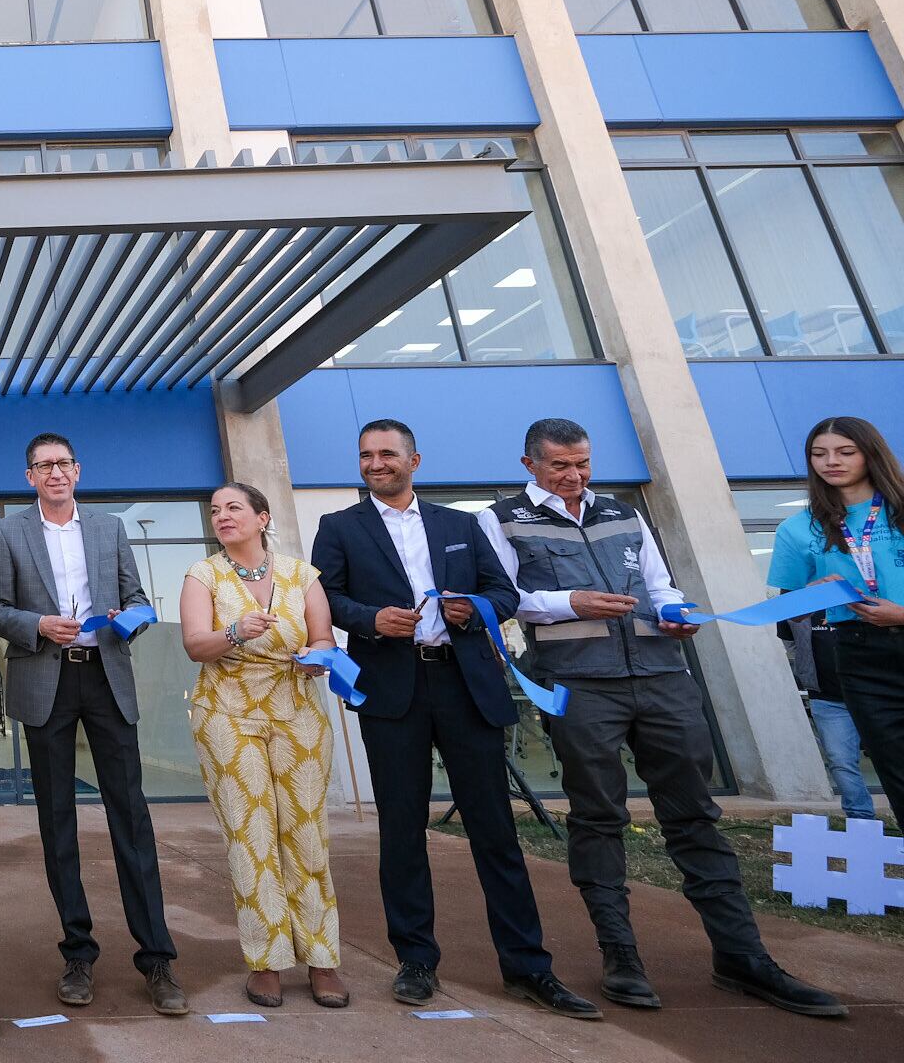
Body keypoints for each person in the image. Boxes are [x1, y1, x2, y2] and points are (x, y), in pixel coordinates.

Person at [475, 418, 841, 1017]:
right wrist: (572, 603)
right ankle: (621, 957)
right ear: (529, 465)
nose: (574, 476)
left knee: (696, 815)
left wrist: (678, 611)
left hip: (664, 676)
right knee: (598, 817)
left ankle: (742, 957)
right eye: (560, 465)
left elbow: (660, 584)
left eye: (583, 463)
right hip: (579, 684)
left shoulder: (622, 511)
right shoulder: (501, 518)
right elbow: (503, 598)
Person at [311, 420, 598, 1019]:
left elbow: (504, 592)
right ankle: (416, 960)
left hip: (465, 685)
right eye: (365, 455)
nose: (375, 463)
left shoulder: (461, 524)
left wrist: (477, 609)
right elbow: (325, 597)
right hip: (392, 690)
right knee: (402, 829)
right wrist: (367, 621)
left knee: (495, 831)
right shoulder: (338, 528)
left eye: (387, 453)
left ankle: (527, 966)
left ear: (415, 458)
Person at [0, 433, 185, 1015]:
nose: (55, 473)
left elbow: (140, 598)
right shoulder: (9, 532)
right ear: (29, 477)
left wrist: (129, 618)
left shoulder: (109, 527)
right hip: (46, 680)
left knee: (132, 817)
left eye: (63, 464)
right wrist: (39, 625)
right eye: (43, 466)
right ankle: (78, 953)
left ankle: (157, 959)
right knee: (58, 821)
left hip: (105, 678)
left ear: (78, 470)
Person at [180, 481, 347, 1009]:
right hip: (227, 712)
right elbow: (194, 646)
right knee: (251, 835)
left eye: (234, 508)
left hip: (297, 709)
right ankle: (267, 960)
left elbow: (324, 640)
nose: (222, 517)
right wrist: (234, 631)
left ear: (262, 517)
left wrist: (317, 657)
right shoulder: (201, 574)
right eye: (215, 511)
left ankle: (322, 958)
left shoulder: (302, 575)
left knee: (306, 833)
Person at [771, 416, 904, 816]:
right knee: (895, 769)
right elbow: (787, 610)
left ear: (870, 454)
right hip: (859, 656)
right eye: (819, 454)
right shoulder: (797, 527)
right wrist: (811, 597)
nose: (831, 461)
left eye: (845, 452)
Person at [778, 617, 875, 819]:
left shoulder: (861, 590)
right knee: (841, 761)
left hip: (875, 694)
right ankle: (861, 821)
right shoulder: (796, 597)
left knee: (892, 758)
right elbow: (791, 644)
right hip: (827, 699)